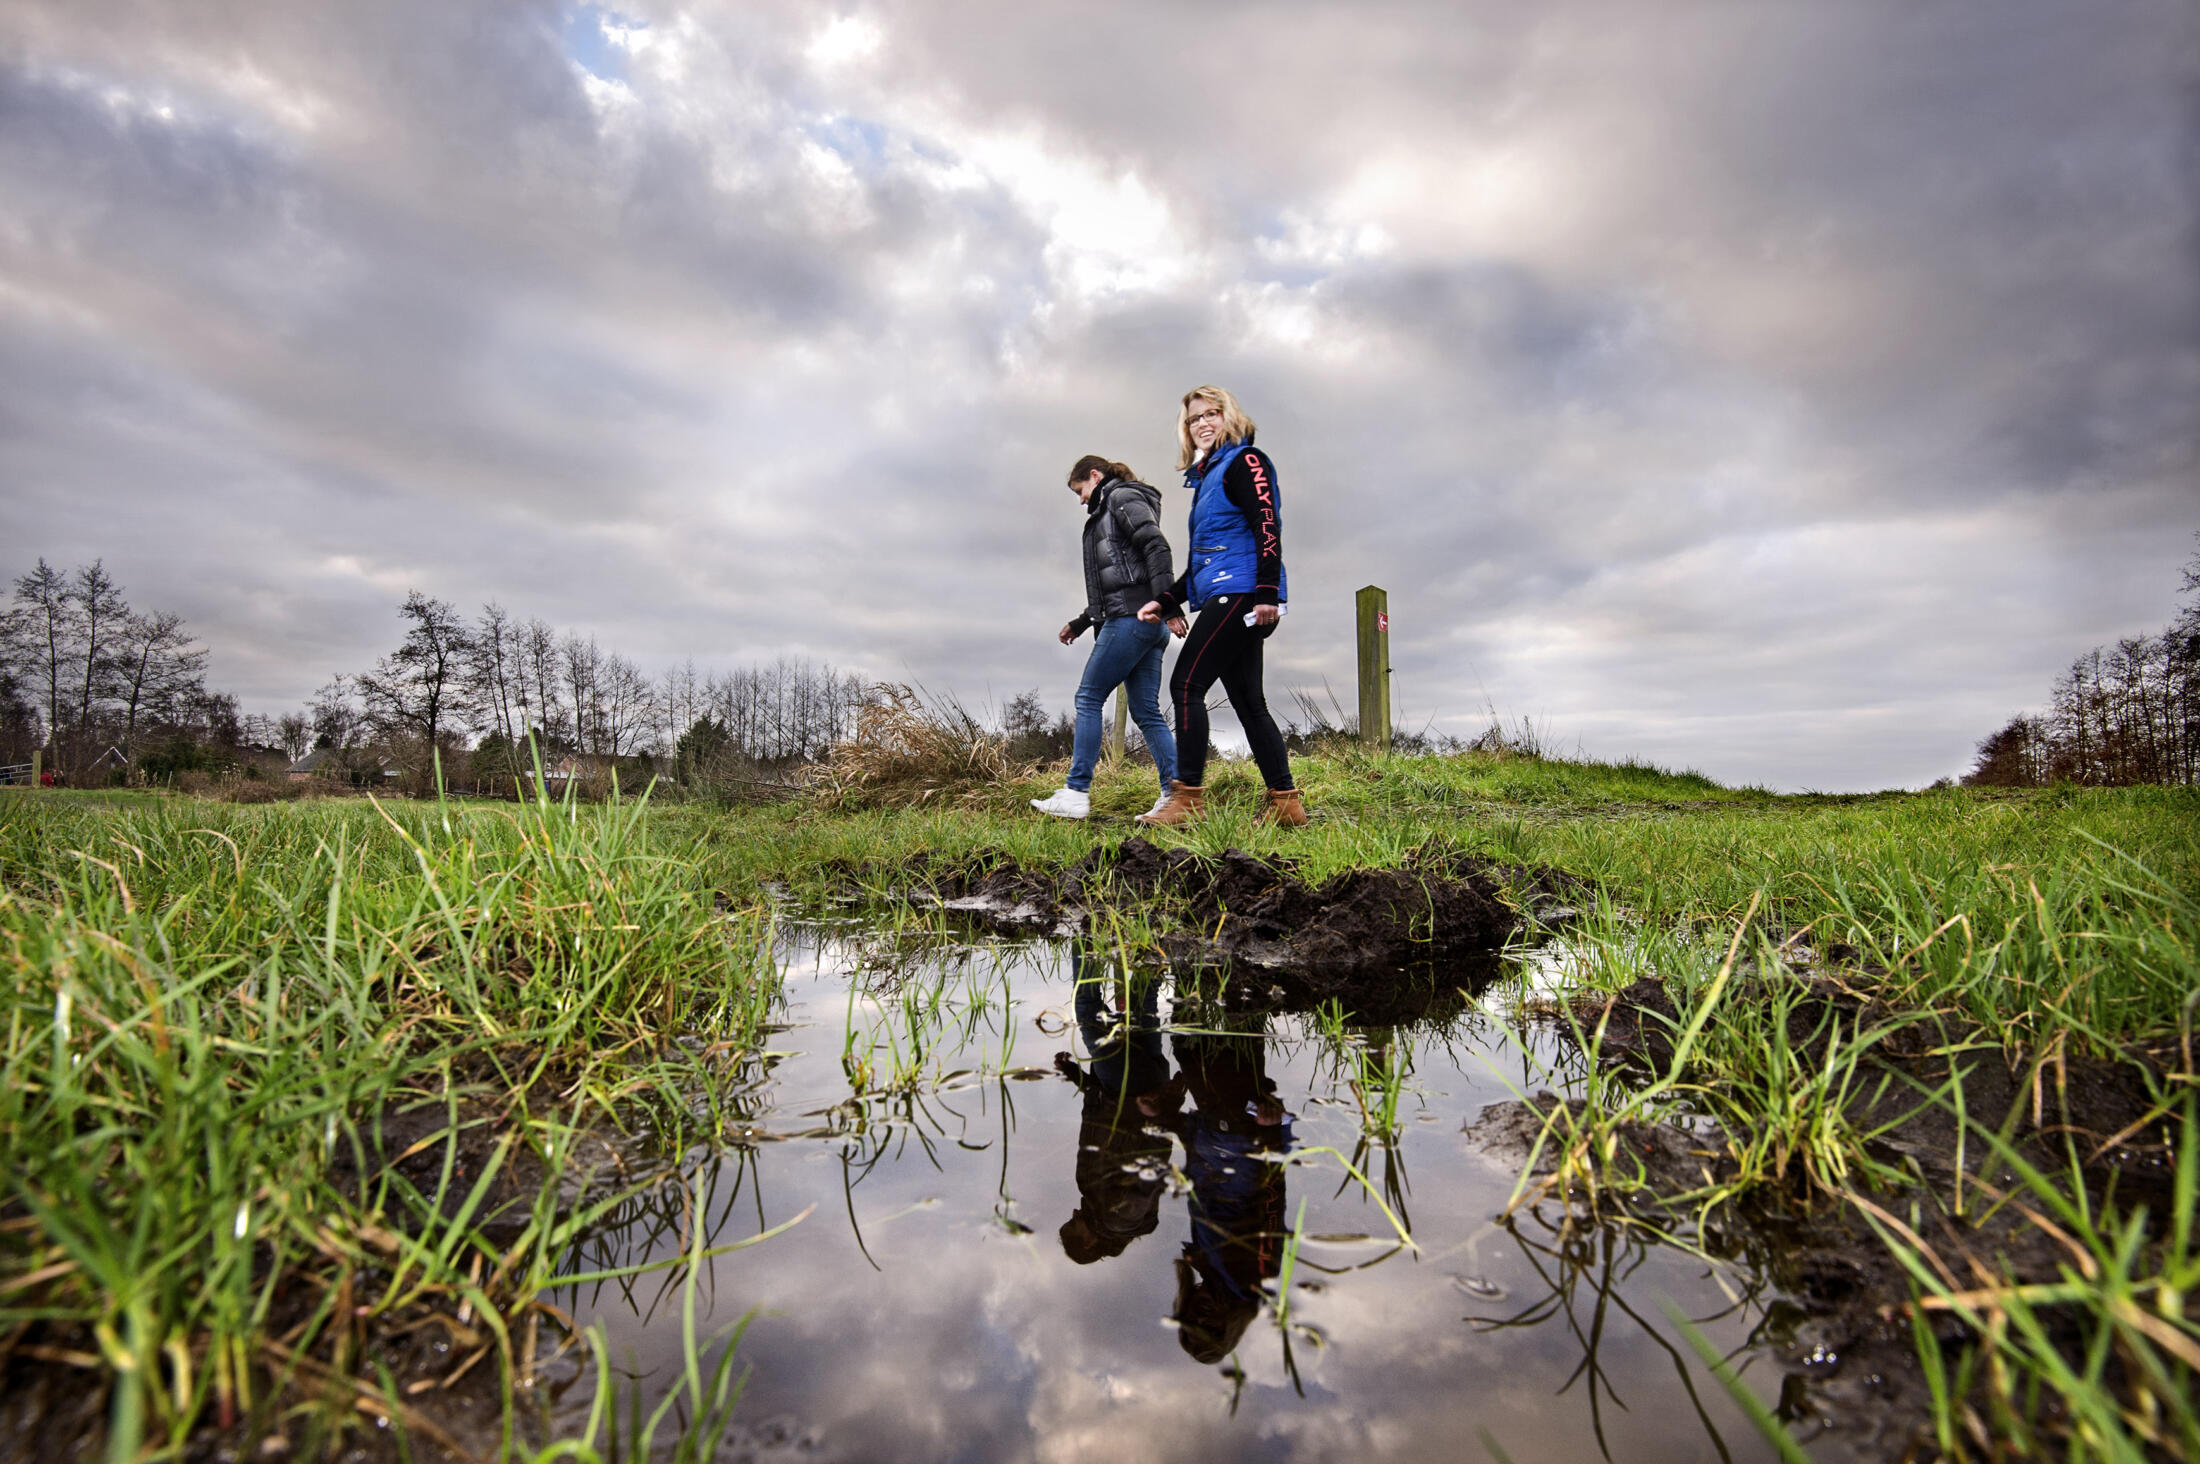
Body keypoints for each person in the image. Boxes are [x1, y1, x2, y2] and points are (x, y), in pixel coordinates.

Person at [1136, 386, 1305, 827]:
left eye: (1212, 413)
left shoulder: (1245, 461)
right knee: (1250, 703)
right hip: (1227, 590)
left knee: (1186, 685)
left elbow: (1267, 523)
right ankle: (1286, 804)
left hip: (1246, 593)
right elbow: (1205, 563)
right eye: (1194, 419)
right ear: (1186, 429)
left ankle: (1187, 798)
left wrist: (1268, 591)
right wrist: (1166, 600)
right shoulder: (1207, 479)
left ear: (1229, 417)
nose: (1203, 423)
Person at [1029, 455, 1181, 821]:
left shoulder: (1121, 498)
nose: (1081, 500)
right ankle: (1177, 795)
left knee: (1088, 697)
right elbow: (1120, 578)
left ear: (1095, 476)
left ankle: (1077, 791)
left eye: (1080, 491)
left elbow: (1156, 547)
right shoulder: (1111, 508)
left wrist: (1170, 604)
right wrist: (1081, 623)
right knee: (1146, 711)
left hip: (1132, 619)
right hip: (1145, 622)